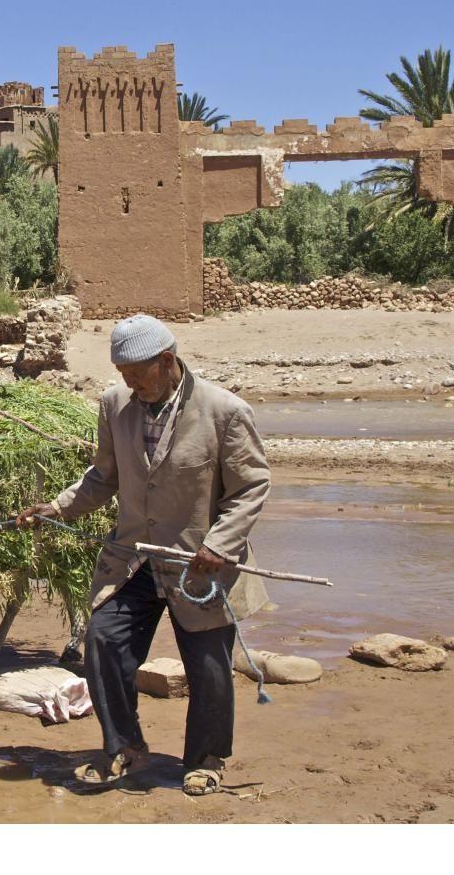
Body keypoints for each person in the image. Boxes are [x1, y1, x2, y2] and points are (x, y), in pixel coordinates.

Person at [17, 313, 270, 795]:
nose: (131, 385)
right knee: (104, 638)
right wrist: (57, 507)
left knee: (208, 666)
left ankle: (206, 758)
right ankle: (125, 746)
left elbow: (251, 486)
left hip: (200, 564)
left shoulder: (224, 411)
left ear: (167, 360)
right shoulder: (116, 406)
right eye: (124, 376)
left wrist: (220, 545)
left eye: (138, 374)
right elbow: (103, 477)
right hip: (133, 557)